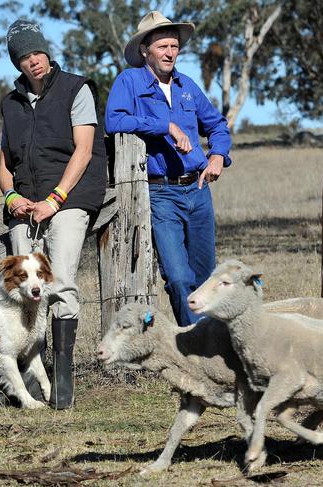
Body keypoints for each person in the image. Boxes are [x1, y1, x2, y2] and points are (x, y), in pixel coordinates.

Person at [0, 19, 107, 410]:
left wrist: (56, 198)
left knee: (58, 281)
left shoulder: (77, 89)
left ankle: (62, 381)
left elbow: (84, 150)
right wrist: (11, 197)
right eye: (24, 57)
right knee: (22, 288)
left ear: (47, 52)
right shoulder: (10, 103)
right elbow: (4, 164)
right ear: (17, 64)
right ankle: (25, 377)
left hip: (70, 198)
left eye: (37, 52)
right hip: (26, 201)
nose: (33, 61)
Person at [105, 11, 232, 326]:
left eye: (174, 46)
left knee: (206, 275)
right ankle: (193, 339)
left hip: (198, 190)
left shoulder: (187, 86)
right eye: (162, 47)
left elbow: (217, 125)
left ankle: (210, 343)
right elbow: (114, 120)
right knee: (177, 276)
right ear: (145, 50)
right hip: (161, 192)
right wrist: (165, 125)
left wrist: (218, 156)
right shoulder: (130, 81)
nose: (170, 53)